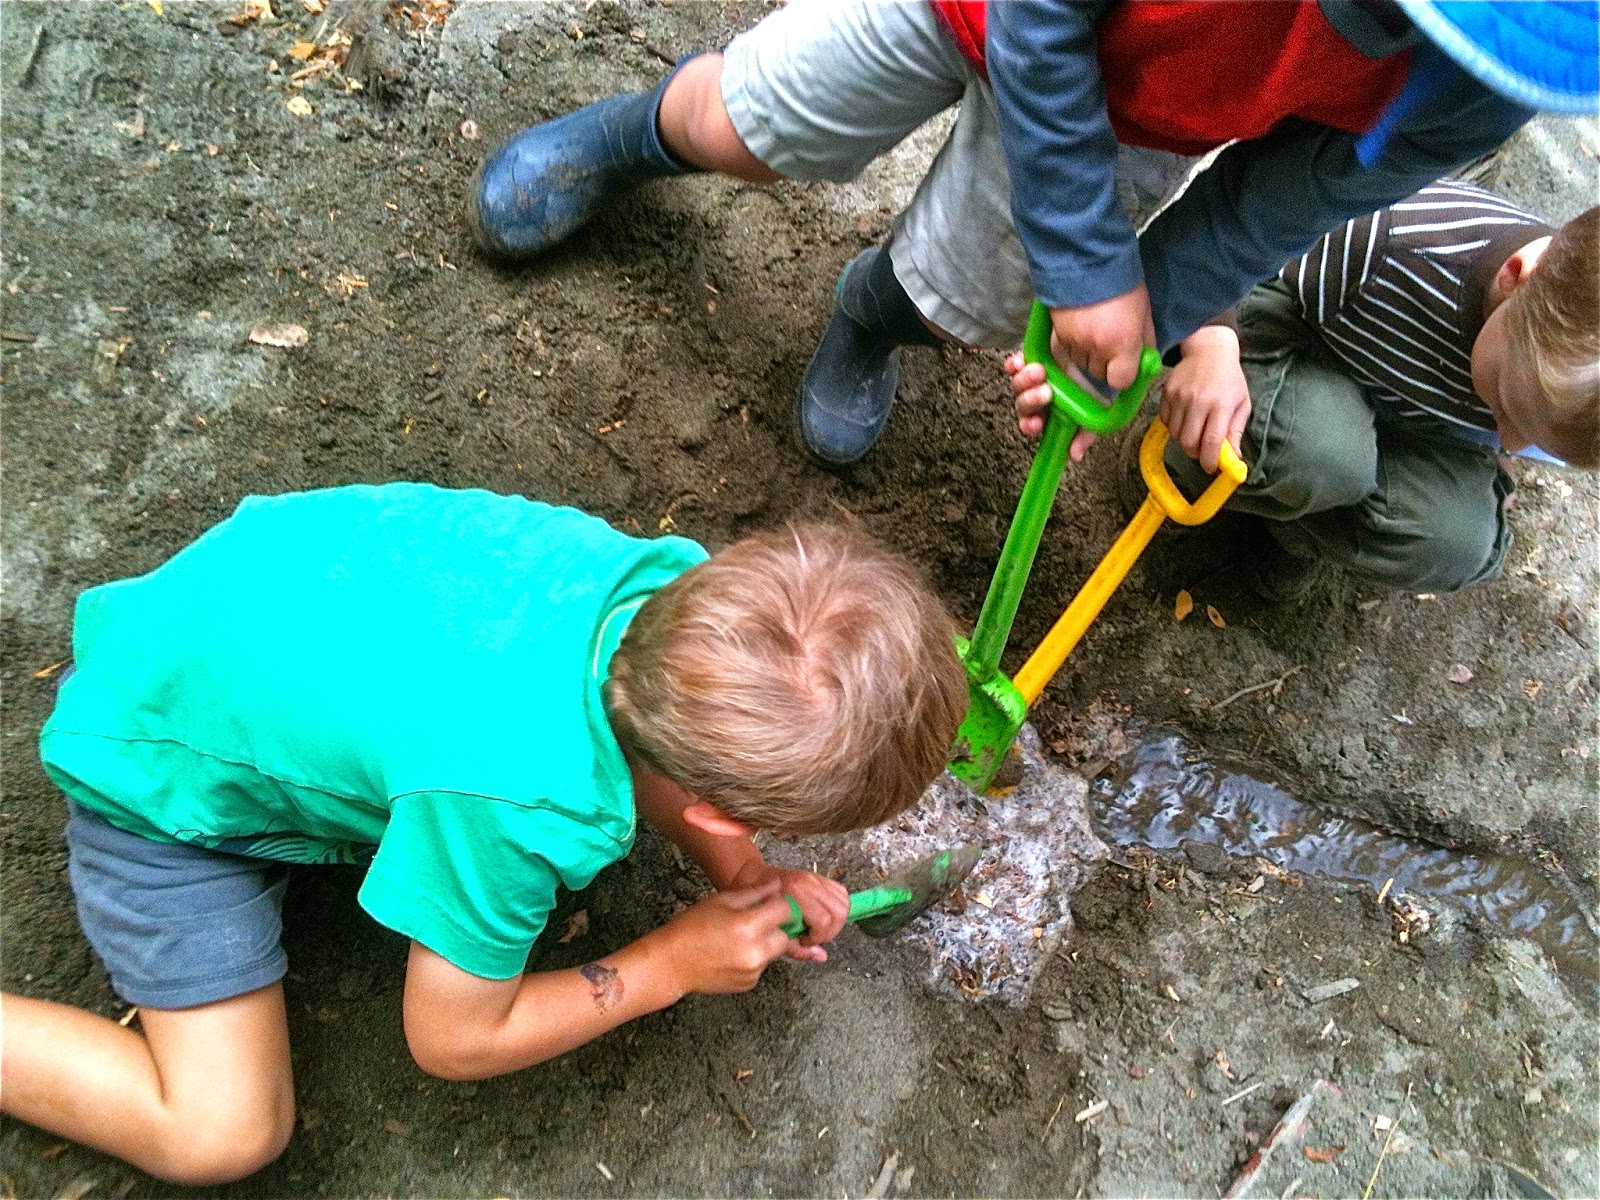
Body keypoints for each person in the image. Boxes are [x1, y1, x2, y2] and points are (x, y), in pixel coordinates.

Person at [0, 483, 966, 1184]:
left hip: (244, 600)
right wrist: (669, 963)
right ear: (715, 806)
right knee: (223, 1132)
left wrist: (744, 876)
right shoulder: (518, 801)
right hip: (155, 773)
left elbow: (675, 769)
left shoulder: (670, 593)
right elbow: (452, 1038)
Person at [466, 0, 1596, 466]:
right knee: (751, 125)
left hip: (1140, 110)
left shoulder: (1485, 82)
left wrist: (1134, 315)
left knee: (963, 297)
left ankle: (871, 311)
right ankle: (633, 137)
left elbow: (1277, 200)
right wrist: (1084, 252)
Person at [1009, 185, 1600, 598]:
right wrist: (1213, 344)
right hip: (1301, 349)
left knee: (1458, 543)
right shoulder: (1393, 239)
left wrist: (1513, 427)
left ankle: (1290, 522)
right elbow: (1233, 239)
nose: (1510, 441)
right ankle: (1185, 458)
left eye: (1539, 441)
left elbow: (1507, 432)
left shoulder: (1563, 379)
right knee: (1324, 457)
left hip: (1408, 409)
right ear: (1516, 276)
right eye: (1508, 405)